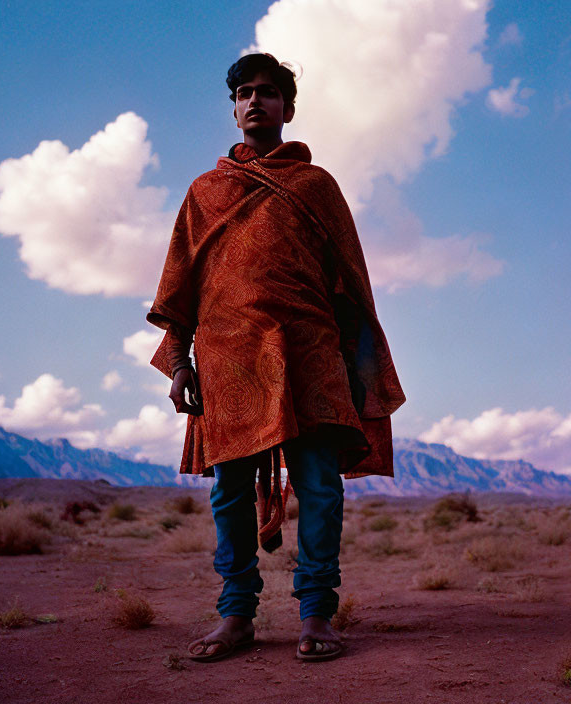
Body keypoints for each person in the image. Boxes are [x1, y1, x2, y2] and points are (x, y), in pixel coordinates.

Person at [146, 53, 405, 663]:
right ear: (233, 108)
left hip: (309, 353)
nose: (253, 101)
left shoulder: (317, 188)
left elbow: (350, 285)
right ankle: (236, 615)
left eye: (267, 92)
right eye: (243, 93)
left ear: (288, 108)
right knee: (229, 490)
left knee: (318, 486)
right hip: (226, 357)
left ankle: (317, 615)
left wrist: (353, 367)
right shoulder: (204, 192)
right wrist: (181, 361)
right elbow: (181, 285)